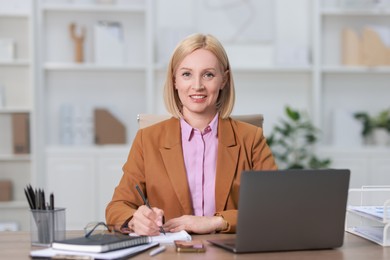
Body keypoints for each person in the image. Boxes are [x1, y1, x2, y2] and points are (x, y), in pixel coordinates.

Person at [106, 33, 277, 236]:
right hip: (170, 255)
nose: (197, 86)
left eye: (208, 75)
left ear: (224, 80)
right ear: (174, 81)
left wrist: (216, 222)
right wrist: (135, 221)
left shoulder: (251, 139)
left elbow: (274, 208)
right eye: (187, 74)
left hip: (230, 252)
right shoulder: (148, 140)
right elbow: (117, 207)